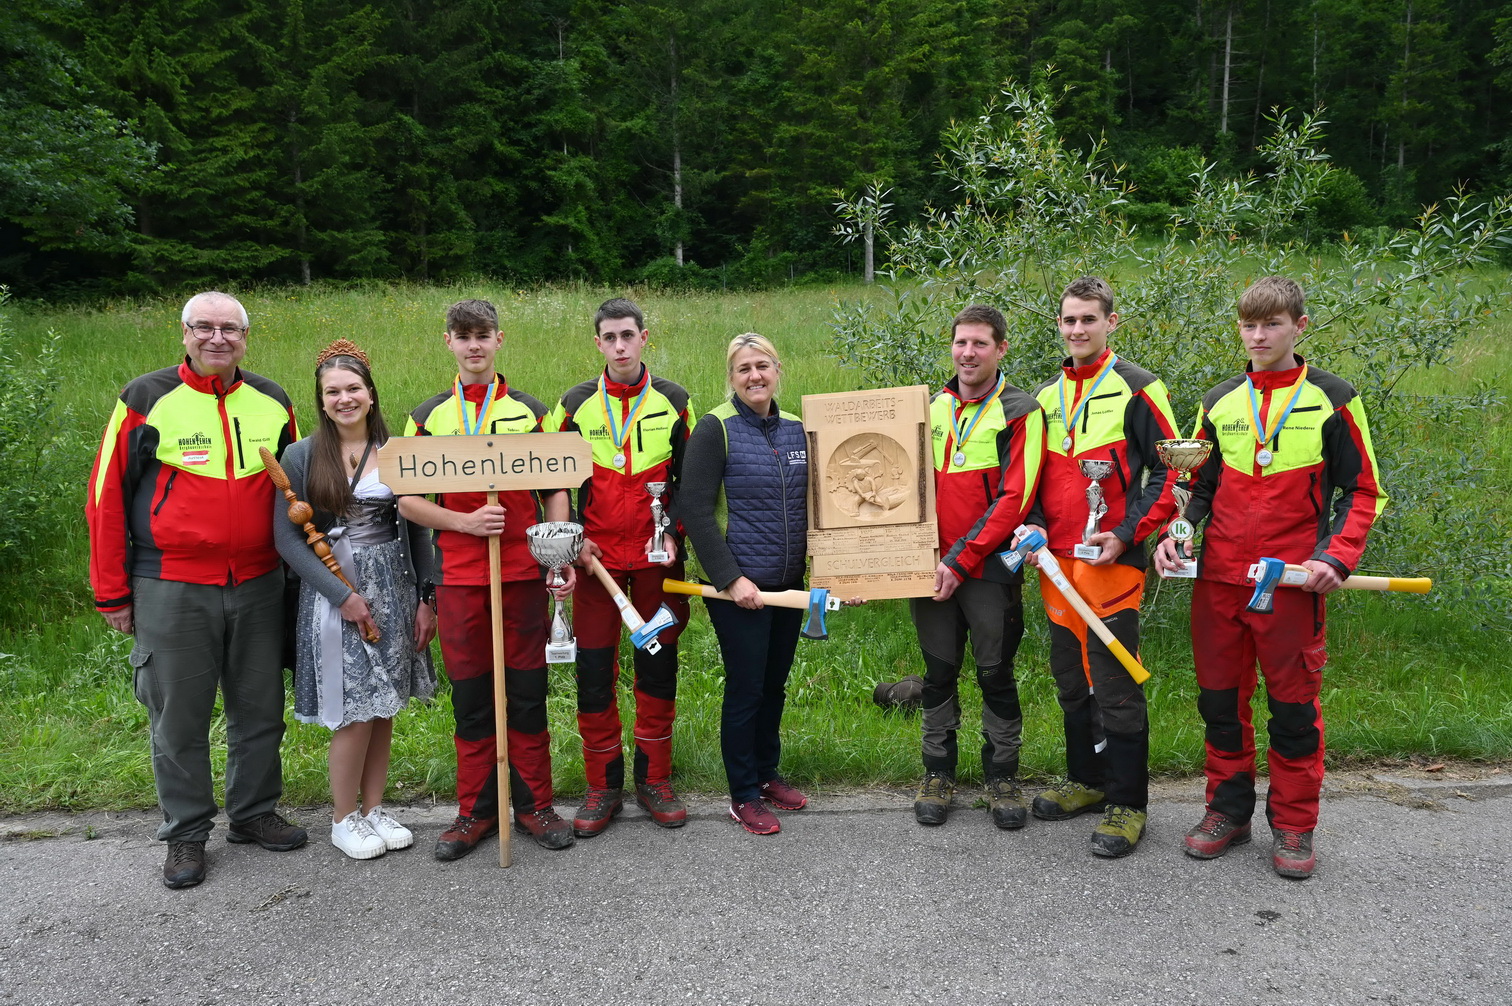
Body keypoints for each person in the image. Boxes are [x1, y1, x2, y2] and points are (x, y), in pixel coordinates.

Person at [1154, 276, 1386, 879]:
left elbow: (1363, 491)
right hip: (1219, 583)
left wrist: (1335, 557)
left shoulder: (1333, 397)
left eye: (1272, 325)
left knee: (1292, 709)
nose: (1259, 336)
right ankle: (1226, 812)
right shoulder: (1220, 398)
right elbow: (1195, 486)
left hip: (1290, 585)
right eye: (1249, 325)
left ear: (1298, 327)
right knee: (1220, 705)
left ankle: (1293, 824)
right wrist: (1173, 536)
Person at [86, 291, 307, 889]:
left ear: (245, 337)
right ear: (184, 333)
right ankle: (185, 833)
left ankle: (254, 813)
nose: (217, 338)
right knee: (178, 718)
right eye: (204, 328)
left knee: (258, 709)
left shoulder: (273, 401)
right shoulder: (145, 398)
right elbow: (106, 496)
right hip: (172, 583)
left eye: (229, 329)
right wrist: (112, 591)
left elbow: (295, 490)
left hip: (260, 580)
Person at [397, 299, 577, 857]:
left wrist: (557, 551)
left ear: (500, 340)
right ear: (447, 342)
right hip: (459, 578)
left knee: (526, 693)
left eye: (483, 335)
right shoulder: (427, 416)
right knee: (473, 699)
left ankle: (534, 805)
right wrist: (463, 522)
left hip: (522, 573)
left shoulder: (531, 411)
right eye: (462, 335)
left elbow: (557, 486)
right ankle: (474, 811)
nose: (473, 345)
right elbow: (406, 499)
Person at [1016, 277, 1179, 857]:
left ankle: (1128, 804)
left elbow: (1170, 473)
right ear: (1059, 326)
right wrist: (1032, 524)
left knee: (1115, 686)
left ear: (1112, 321)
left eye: (1089, 319)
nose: (1078, 329)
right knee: (1070, 681)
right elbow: (1030, 479)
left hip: (1111, 562)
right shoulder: (1045, 395)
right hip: (1055, 566)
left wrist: (1127, 534)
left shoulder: (1138, 388)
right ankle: (1086, 781)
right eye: (1069, 320)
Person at [273, 339, 437, 860]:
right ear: (321, 401)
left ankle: (372, 809)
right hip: (334, 589)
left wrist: (425, 597)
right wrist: (341, 595)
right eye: (332, 391)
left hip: (394, 585)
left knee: (385, 705)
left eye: (353, 388)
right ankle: (343, 818)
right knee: (355, 710)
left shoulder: (397, 450)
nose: (344, 398)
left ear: (370, 393)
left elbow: (417, 531)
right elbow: (285, 540)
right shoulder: (300, 455)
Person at [546, 298, 694, 837]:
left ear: (644, 337)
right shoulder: (574, 404)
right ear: (598, 343)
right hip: (595, 563)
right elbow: (557, 483)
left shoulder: (676, 402)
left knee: (657, 665)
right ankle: (602, 785)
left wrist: (673, 534)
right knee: (593, 672)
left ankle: (654, 780)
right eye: (609, 338)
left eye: (628, 335)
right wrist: (571, 545)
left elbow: (688, 483)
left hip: (656, 563)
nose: (619, 346)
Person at [911, 304, 1045, 830]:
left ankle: (1002, 776)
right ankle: (937, 773)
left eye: (980, 344)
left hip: (987, 569)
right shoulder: (927, 406)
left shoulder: (1021, 411)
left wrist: (961, 559)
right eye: (961, 343)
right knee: (939, 672)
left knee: (995, 675)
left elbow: (1014, 499)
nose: (968, 353)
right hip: (930, 568)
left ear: (1001, 349)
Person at [678, 333, 813, 835]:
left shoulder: (800, 428)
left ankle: (766, 773)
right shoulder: (716, 428)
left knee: (774, 683)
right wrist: (731, 579)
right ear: (731, 378)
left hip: (788, 584)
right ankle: (742, 793)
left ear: (778, 369)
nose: (755, 376)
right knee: (746, 686)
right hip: (738, 589)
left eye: (763, 366)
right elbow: (693, 507)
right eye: (743, 369)